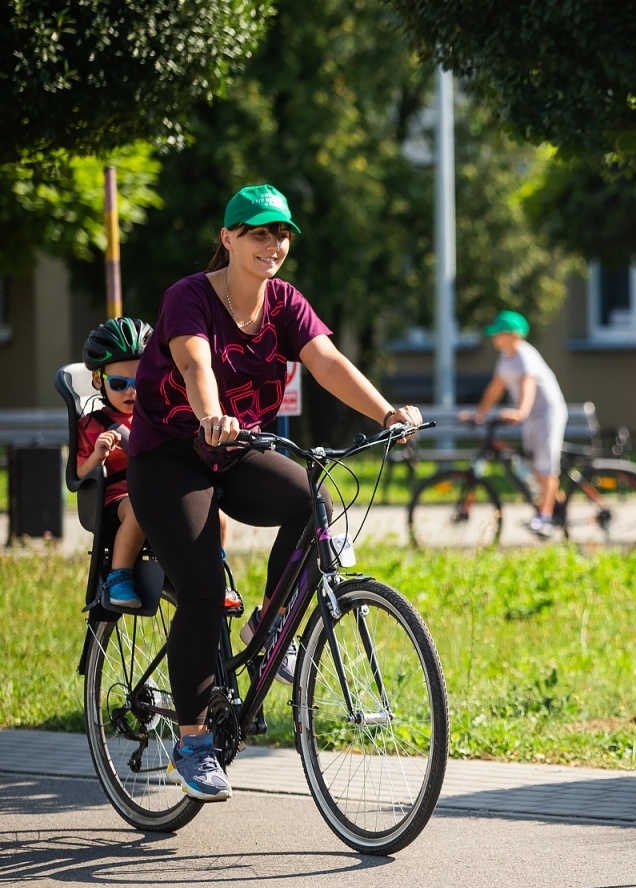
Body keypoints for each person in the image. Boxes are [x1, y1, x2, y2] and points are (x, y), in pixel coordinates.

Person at [125, 184, 420, 802]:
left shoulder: (284, 303)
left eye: (282, 233)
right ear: (228, 238)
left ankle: (272, 619)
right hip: (172, 457)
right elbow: (195, 364)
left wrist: (387, 412)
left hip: (236, 451)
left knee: (313, 500)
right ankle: (194, 738)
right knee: (204, 590)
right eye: (259, 232)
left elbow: (329, 362)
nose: (273, 244)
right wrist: (210, 415)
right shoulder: (190, 297)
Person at [464, 310, 565, 537]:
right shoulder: (506, 358)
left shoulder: (525, 355)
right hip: (531, 416)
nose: (494, 339)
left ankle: (545, 518)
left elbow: (528, 384)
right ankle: (558, 507)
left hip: (547, 413)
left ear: (512, 334)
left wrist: (521, 411)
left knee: (545, 467)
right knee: (534, 468)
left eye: (498, 333)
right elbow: (496, 387)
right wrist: (480, 414)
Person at [76, 319, 151, 609]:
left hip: (152, 491)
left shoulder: (154, 420)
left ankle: (208, 567)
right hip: (114, 499)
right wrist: (97, 457)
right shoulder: (91, 425)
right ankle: (119, 576)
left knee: (210, 509)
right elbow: (78, 474)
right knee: (139, 508)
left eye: (139, 383)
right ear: (99, 381)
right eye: (120, 385)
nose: (131, 393)